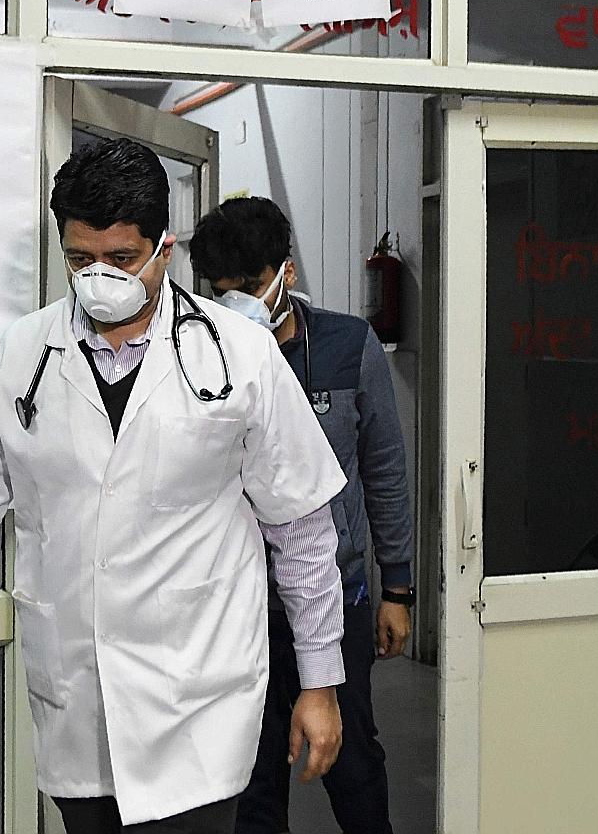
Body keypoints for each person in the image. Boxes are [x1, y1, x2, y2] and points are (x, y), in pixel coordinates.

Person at [0, 139, 351, 834]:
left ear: (163, 249)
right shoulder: (17, 358)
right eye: (80, 259)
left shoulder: (241, 354)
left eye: (120, 259)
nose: (99, 277)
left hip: (197, 698)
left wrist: (319, 682)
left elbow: (302, 532)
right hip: (76, 697)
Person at [190, 196, 413, 834]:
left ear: (285, 272)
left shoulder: (349, 344)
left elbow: (386, 471)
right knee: (253, 782)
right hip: (239, 614)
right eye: (220, 292)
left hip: (333, 601)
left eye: (251, 288)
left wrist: (397, 586)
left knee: (353, 766)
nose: (236, 306)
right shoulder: (201, 359)